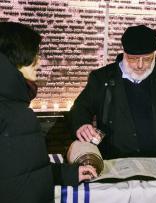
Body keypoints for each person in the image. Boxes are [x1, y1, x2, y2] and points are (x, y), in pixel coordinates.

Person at [0, 22, 97, 203]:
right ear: (13, 57)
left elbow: (23, 170)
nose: (39, 61)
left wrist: (66, 174)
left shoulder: (16, 106)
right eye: (34, 54)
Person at [68, 25, 156, 159]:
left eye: (147, 59)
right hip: (116, 159)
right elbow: (80, 107)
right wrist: (82, 124)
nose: (140, 65)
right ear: (124, 54)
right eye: (133, 59)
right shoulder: (102, 77)